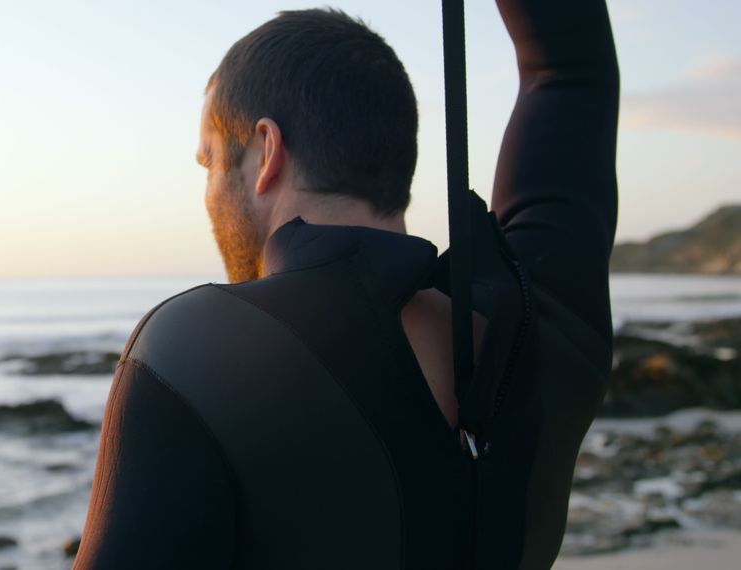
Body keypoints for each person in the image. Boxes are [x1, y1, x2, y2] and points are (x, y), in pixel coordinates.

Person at [74, 0, 618, 567]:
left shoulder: (196, 352)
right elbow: (570, 73)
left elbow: (567, 75)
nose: (208, 192)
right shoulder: (543, 319)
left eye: (209, 161)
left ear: (266, 151)